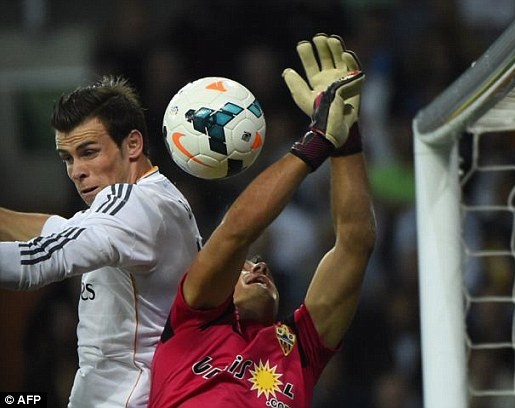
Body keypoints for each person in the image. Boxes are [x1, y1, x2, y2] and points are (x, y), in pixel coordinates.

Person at [149, 34, 375, 407]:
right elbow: (236, 234)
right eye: (246, 266)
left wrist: (345, 134)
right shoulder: (194, 320)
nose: (260, 266)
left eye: (256, 264)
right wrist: (317, 139)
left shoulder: (300, 349)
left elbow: (355, 244)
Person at [0, 76, 201, 407]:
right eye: (67, 158)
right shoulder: (156, 198)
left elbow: (40, 260)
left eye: (89, 152)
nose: (76, 171)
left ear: (132, 144)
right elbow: (61, 232)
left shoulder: (134, 204)